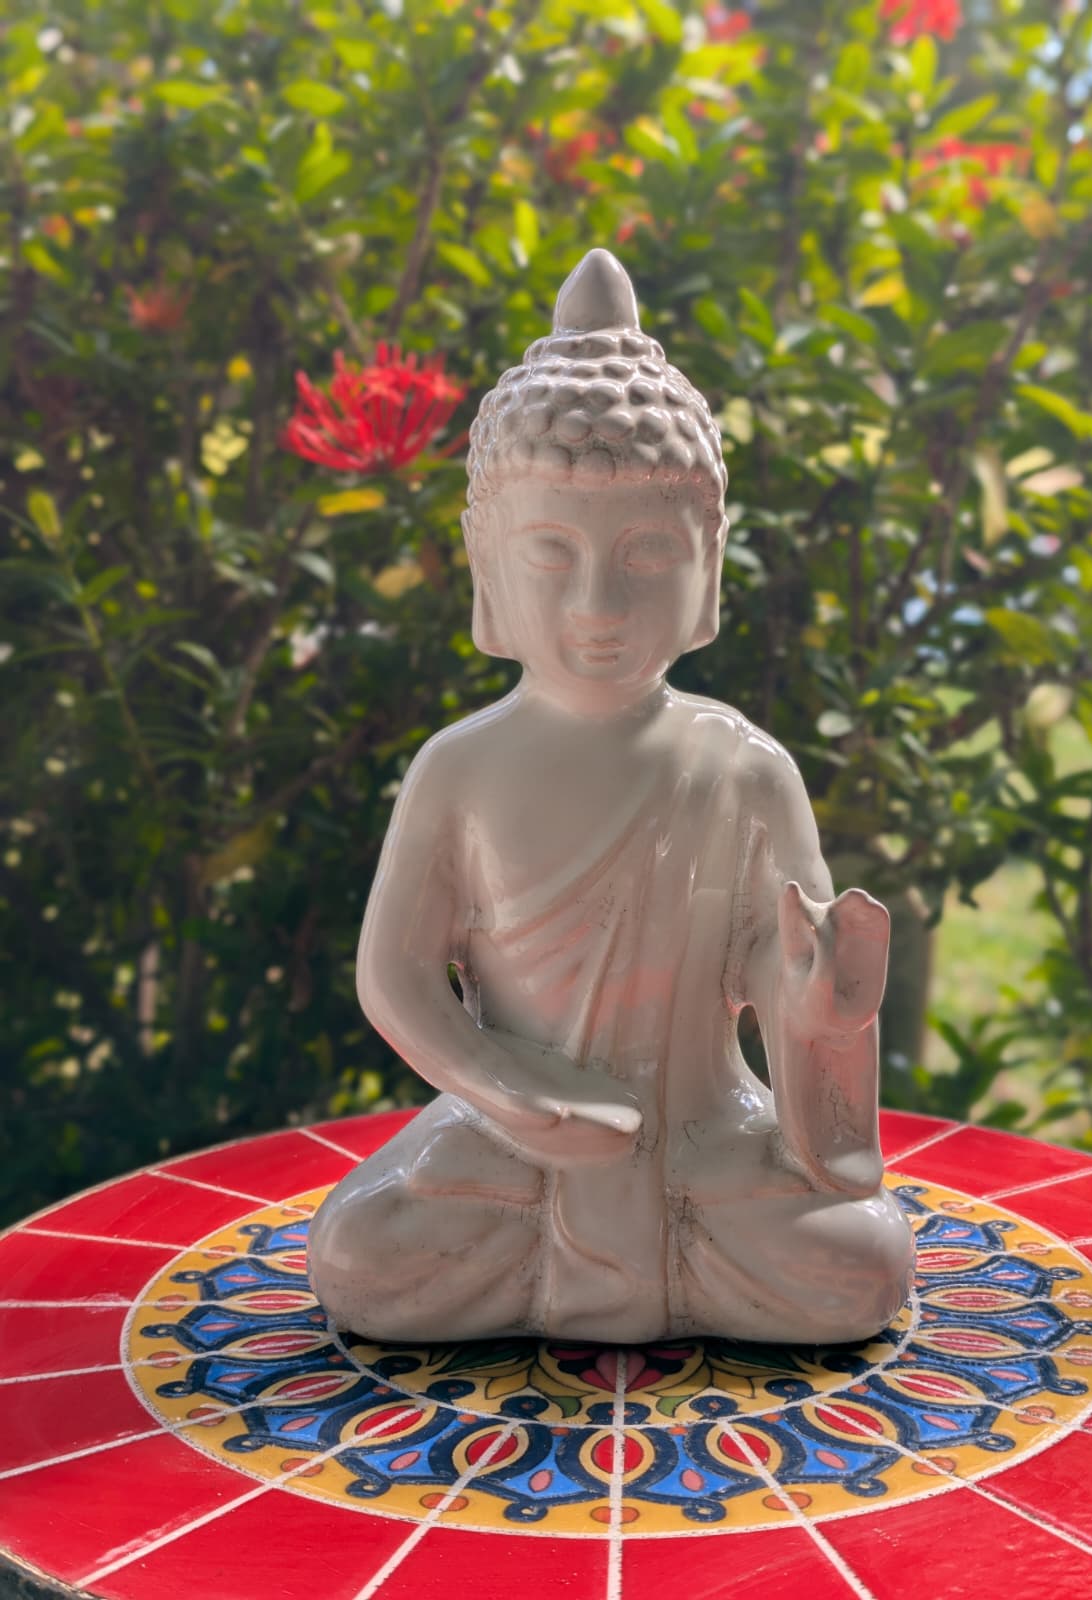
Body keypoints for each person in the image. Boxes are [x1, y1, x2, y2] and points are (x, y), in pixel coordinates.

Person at [306, 250, 915, 1346]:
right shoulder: (459, 768)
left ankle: (633, 1262)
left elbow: (773, 960)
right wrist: (504, 1091)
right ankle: (604, 1256)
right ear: (485, 565)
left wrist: (819, 995)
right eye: (550, 551)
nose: (598, 601)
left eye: (645, 551)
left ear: (709, 569)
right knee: (359, 1257)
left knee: (865, 1262)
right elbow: (396, 977)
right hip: (514, 1142)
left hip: (700, 1134)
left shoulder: (743, 768)